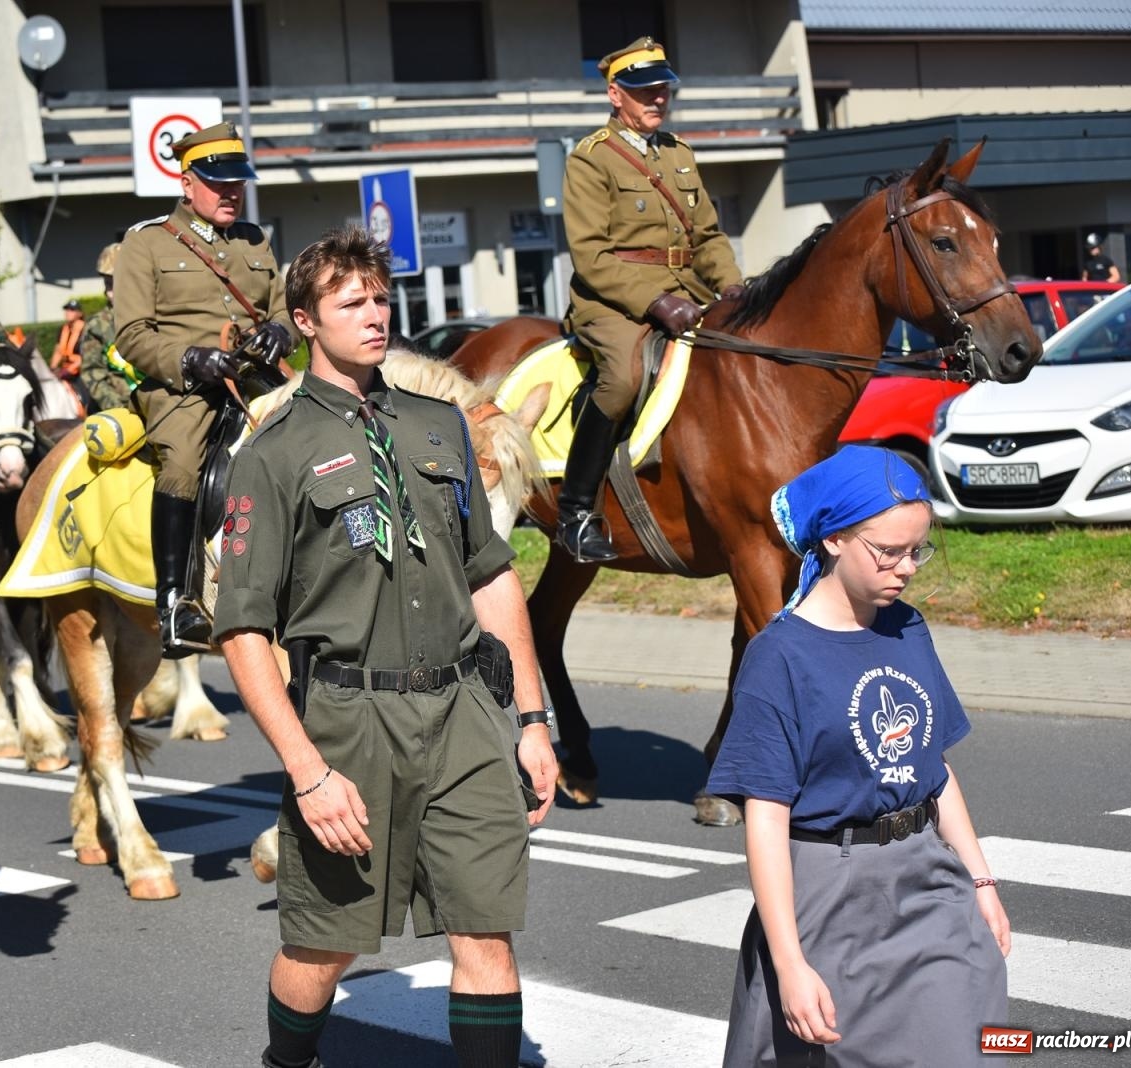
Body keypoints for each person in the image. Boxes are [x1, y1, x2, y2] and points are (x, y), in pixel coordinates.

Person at [215, 228, 558, 1068]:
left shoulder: (440, 426)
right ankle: (285, 1062)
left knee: (486, 931)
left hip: (464, 715)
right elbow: (244, 630)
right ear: (305, 320)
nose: (375, 316)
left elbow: (492, 578)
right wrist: (307, 770)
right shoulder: (275, 451)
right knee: (324, 947)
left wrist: (532, 716)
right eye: (351, 303)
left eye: (380, 298)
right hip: (346, 721)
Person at [705, 447, 1010, 1067]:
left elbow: (935, 770)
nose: (906, 568)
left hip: (926, 876)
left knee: (969, 1041)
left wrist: (980, 880)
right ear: (836, 538)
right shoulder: (778, 657)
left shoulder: (907, 627)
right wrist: (789, 964)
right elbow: (766, 819)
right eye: (888, 551)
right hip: (830, 890)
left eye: (917, 551)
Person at [557, 37, 743, 562]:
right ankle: (574, 513)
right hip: (611, 299)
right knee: (623, 379)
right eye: (643, 91)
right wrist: (656, 302)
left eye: (663, 89)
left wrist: (732, 287)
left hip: (688, 290)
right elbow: (591, 257)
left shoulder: (679, 154)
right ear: (616, 95)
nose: (657, 99)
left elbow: (707, 237)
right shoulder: (591, 159)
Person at [113, 123, 295, 657]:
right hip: (185, 389)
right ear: (187, 182)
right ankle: (176, 603)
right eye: (219, 183)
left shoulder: (255, 239)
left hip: (256, 379)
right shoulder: (146, 241)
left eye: (239, 181)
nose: (232, 192)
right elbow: (131, 333)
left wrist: (278, 332)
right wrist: (191, 359)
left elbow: (281, 306)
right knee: (183, 460)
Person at [78, 242, 129, 412]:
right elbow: (93, 374)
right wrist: (122, 409)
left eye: (118, 283)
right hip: (115, 413)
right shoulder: (97, 326)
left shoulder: (159, 317)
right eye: (108, 284)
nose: (111, 292)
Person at [50, 297, 85, 383]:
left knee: (84, 392)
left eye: (72, 310)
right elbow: (58, 352)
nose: (68, 312)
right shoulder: (63, 329)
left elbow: (86, 356)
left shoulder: (85, 330)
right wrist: (52, 369)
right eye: (67, 310)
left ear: (79, 314)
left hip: (82, 371)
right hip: (65, 370)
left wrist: (69, 370)